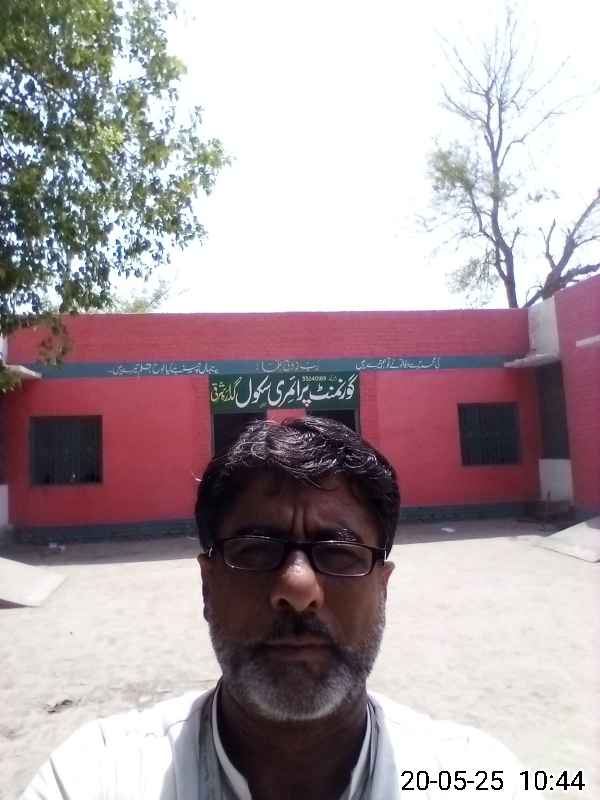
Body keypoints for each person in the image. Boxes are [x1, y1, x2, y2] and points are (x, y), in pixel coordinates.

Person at [22, 417, 529, 799]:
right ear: (206, 585)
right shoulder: (94, 777)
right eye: (255, 550)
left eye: (339, 552)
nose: (298, 586)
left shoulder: (478, 777)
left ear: (383, 588)